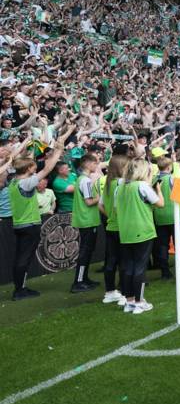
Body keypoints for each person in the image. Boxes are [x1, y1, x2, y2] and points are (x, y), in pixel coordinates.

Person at [9, 126, 72, 300]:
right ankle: (19, 291)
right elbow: (48, 169)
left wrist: (29, 145)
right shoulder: (26, 183)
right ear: (29, 169)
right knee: (24, 258)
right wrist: (58, 150)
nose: (35, 168)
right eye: (33, 167)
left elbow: (26, 162)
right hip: (29, 225)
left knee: (21, 258)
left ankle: (20, 287)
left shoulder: (13, 181)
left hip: (20, 225)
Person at [115, 158, 164, 314]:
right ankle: (139, 301)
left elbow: (116, 208)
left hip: (125, 231)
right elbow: (160, 203)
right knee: (140, 268)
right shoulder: (142, 186)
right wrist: (158, 189)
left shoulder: (120, 187)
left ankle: (129, 301)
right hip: (142, 230)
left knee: (129, 266)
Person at [152, 156, 180, 280]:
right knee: (178, 244)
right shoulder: (173, 178)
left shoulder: (154, 179)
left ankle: (165, 272)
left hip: (159, 216)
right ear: (169, 167)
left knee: (162, 245)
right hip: (174, 217)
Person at [98, 152, 128, 305]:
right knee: (124, 261)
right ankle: (124, 293)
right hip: (121, 227)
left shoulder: (109, 184)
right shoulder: (122, 183)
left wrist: (110, 215)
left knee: (111, 261)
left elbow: (100, 205)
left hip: (111, 226)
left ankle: (110, 292)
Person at [70, 154, 101, 293]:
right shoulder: (86, 181)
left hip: (86, 220)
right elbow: (89, 202)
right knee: (85, 252)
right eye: (95, 163)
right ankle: (79, 281)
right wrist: (99, 197)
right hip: (87, 220)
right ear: (88, 164)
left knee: (87, 251)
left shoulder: (82, 180)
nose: (97, 166)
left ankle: (84, 278)